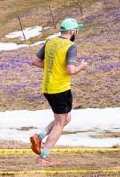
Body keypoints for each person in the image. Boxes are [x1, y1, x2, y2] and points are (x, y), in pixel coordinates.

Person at [29, 18, 88, 165]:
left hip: (47, 87)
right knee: (60, 123)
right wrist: (81, 67)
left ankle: (39, 137)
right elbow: (70, 70)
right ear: (71, 31)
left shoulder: (50, 42)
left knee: (65, 118)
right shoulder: (71, 46)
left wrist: (53, 67)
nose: (76, 33)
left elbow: (35, 61)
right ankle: (43, 157)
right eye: (76, 30)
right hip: (60, 89)